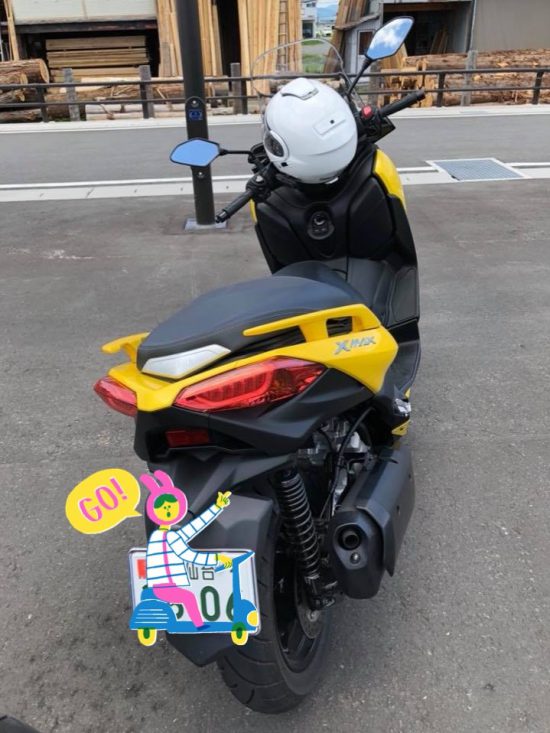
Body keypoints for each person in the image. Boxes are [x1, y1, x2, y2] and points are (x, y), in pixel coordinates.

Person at [141, 470, 232, 628]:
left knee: (187, 595)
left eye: (171, 507)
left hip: (159, 585)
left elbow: (194, 528)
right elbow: (190, 556)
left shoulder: (159, 536)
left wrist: (217, 507)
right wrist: (216, 559)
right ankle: (198, 625)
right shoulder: (171, 537)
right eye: (164, 508)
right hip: (166, 586)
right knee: (189, 597)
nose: (168, 510)